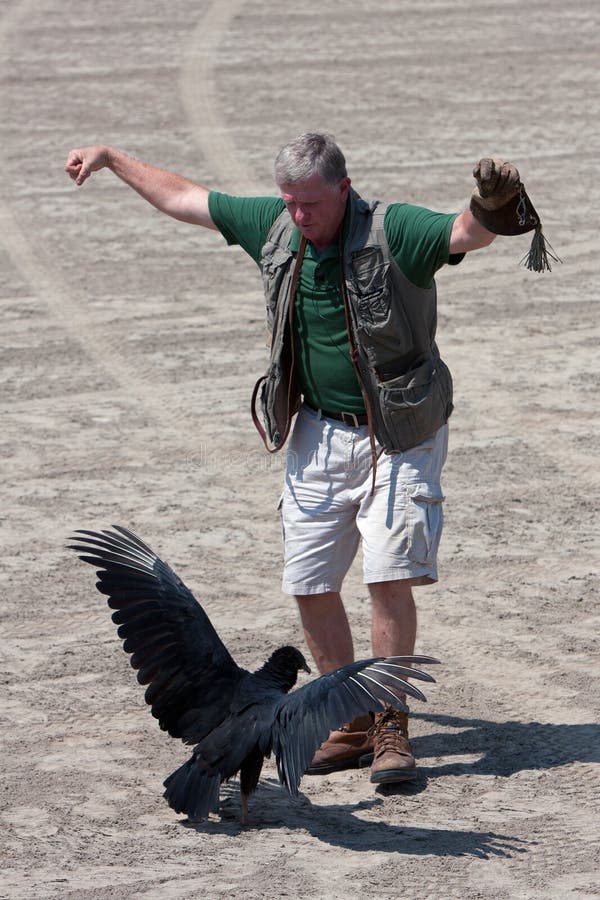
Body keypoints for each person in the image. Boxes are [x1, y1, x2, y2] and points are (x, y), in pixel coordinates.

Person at [65, 133, 533, 786]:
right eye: (289, 202)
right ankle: (351, 720)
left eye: (311, 203)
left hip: (400, 433)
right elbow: (184, 200)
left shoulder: (394, 229)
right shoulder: (277, 224)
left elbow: (465, 233)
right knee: (309, 581)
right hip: (316, 431)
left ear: (344, 188)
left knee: (387, 575)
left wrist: (490, 202)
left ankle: (390, 725)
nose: (299, 215)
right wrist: (113, 159)